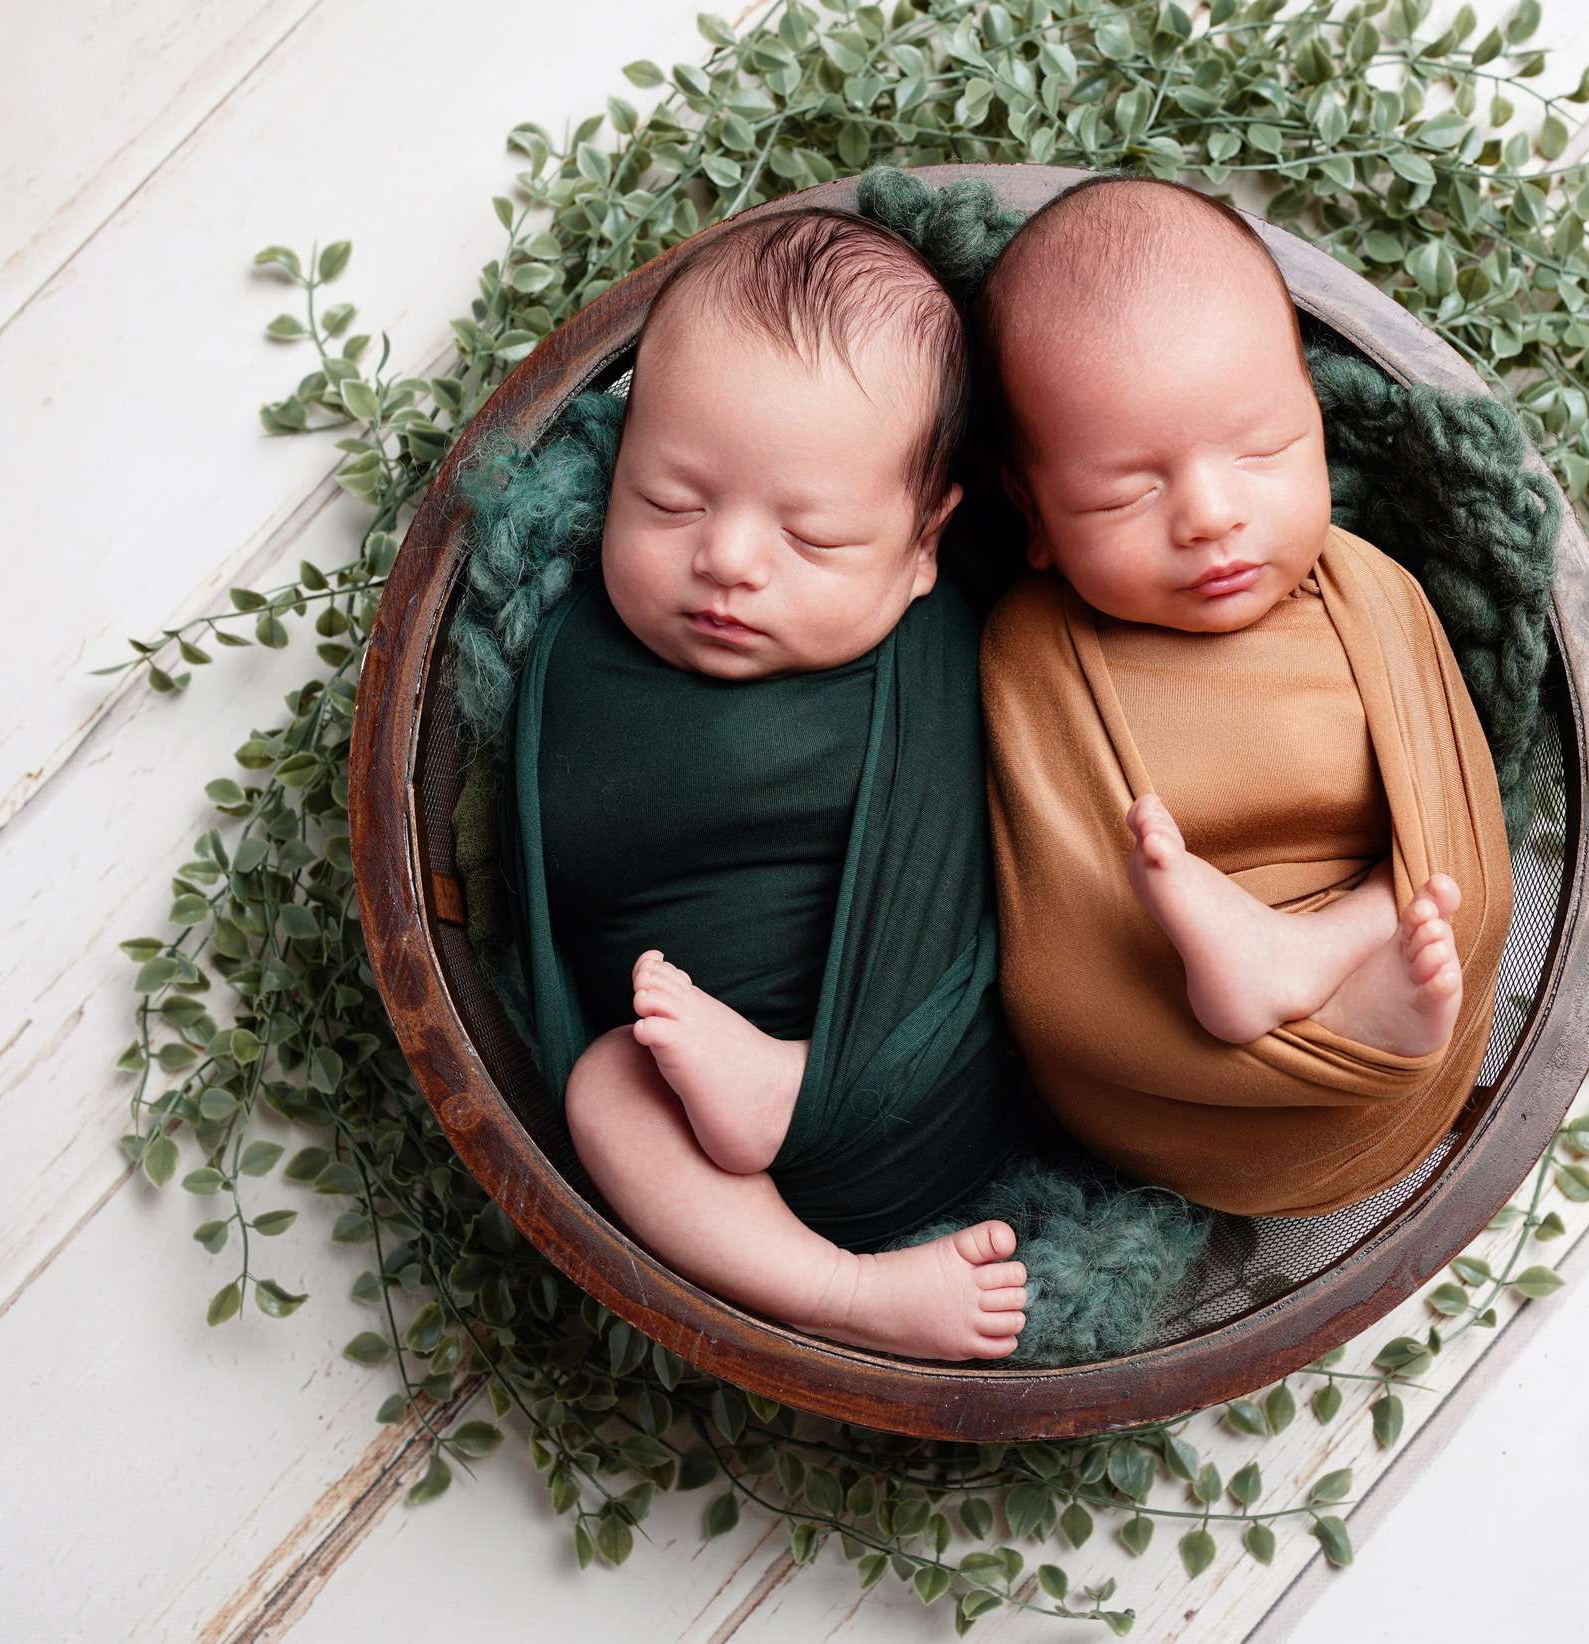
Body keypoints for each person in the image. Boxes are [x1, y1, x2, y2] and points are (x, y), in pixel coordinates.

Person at [511, 209, 1027, 1359]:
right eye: (672, 500)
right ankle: (841, 1291)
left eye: (816, 538)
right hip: (685, 1112)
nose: (730, 559)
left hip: (928, 1062)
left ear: (926, 542)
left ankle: (796, 1078)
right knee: (606, 1089)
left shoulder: (952, 634)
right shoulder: (567, 644)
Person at [977, 175, 1515, 1217]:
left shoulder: (1366, 587)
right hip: (1176, 1050)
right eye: (1124, 490)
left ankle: (1311, 965)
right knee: (1050, 1002)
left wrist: (1343, 935)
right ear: (1031, 511)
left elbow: (1457, 805)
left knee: (1466, 892)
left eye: (1263, 451)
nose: (1211, 515)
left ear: (1316, 422)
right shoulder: (1032, 643)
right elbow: (1056, 914)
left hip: (1400, 954)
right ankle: (1285, 983)